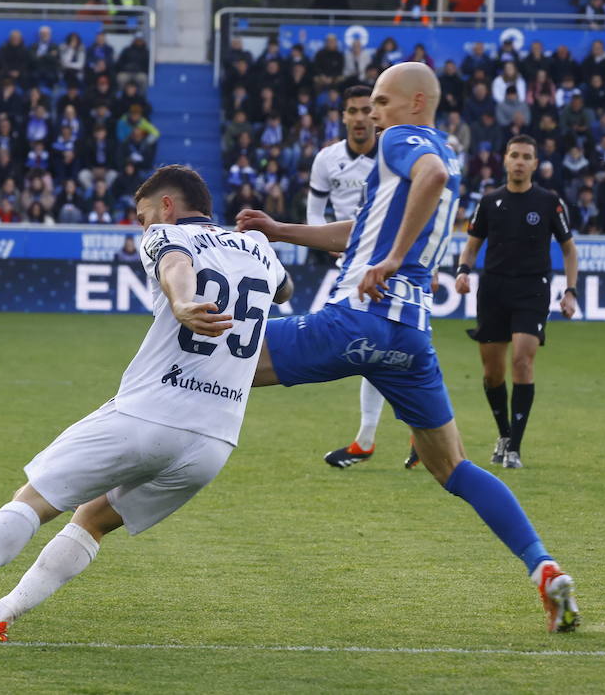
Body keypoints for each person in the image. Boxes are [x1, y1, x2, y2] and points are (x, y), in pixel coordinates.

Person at [0, 166, 292, 644]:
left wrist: (183, 302)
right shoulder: (259, 249)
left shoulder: (165, 234)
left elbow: (175, 263)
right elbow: (285, 290)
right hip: (214, 441)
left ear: (167, 206)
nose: (142, 226)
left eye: (142, 214)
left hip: (148, 415)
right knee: (93, 519)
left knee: (32, 501)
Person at [238, 63, 580, 633]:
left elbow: (429, 180)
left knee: (218, 360)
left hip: (359, 317)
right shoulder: (442, 156)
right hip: (410, 340)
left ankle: (101, 494)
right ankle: (544, 568)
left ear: (416, 102)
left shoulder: (407, 143)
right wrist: (281, 229)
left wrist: (391, 259)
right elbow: (363, 230)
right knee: (454, 468)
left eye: (380, 101)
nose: (372, 112)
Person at [447, 135, 579, 471]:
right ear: (505, 160)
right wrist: (463, 270)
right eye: (514, 155)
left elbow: (568, 249)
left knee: (522, 359)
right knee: (492, 373)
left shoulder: (549, 202)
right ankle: (504, 434)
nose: (520, 162)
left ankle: (515, 447)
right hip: (493, 290)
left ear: (536, 164)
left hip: (532, 290)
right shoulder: (490, 202)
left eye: (527, 157)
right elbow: (472, 244)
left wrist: (570, 290)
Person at [305, 85, 388, 469]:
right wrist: (329, 245)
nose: (359, 117)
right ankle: (411, 431)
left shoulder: (393, 154)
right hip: (349, 265)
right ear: (343, 116)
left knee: (379, 348)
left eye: (365, 110)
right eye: (352, 110)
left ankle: (369, 439)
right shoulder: (327, 159)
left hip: (389, 264)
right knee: (384, 349)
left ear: (375, 114)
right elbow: (314, 213)